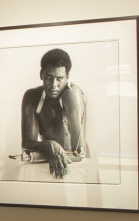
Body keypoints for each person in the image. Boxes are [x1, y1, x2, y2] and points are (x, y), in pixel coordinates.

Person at [19, 47, 88, 179]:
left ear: (67, 77)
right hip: (47, 164)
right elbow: (27, 144)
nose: (53, 85)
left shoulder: (72, 94)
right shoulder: (32, 96)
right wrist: (49, 144)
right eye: (49, 78)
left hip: (76, 166)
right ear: (41, 74)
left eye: (59, 79)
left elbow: (78, 151)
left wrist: (45, 149)